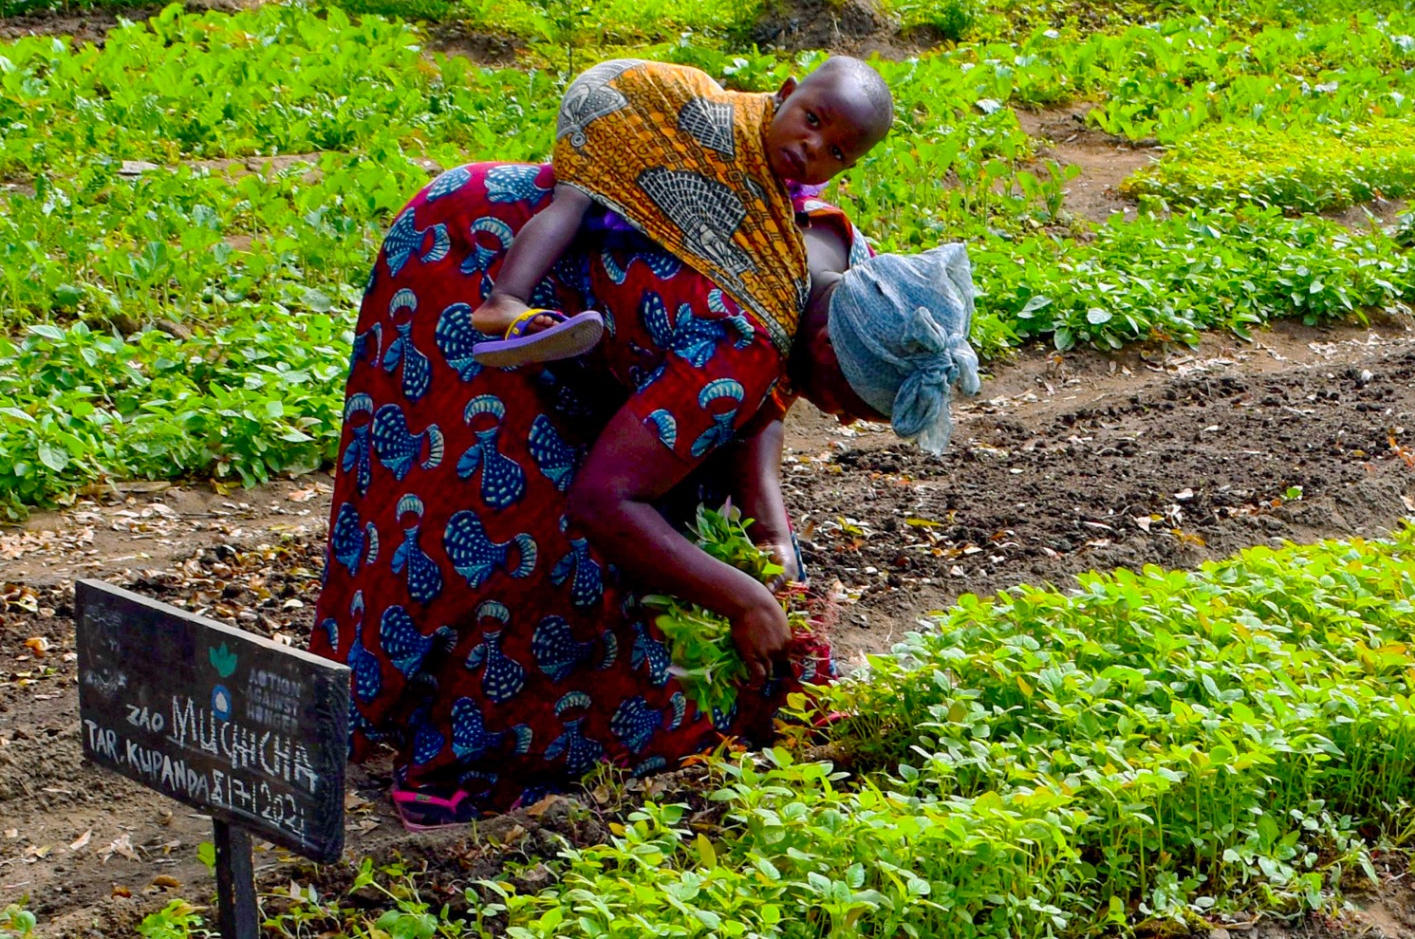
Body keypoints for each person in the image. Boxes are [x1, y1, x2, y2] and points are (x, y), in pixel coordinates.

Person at [309, 161, 977, 827]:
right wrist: (743, 598)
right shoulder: (737, 338)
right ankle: (459, 754)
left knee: (673, 506)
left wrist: (770, 533)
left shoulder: (851, 273)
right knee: (514, 519)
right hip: (473, 264)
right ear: (829, 345)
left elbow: (761, 402)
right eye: (855, 401)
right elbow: (603, 504)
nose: (848, 421)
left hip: (590, 310)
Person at [467, 56, 894, 368]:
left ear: (846, 167)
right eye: (812, 120)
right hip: (620, 107)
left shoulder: (788, 186)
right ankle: (505, 299)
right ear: (784, 94)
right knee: (576, 200)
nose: (813, 145)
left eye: (835, 150)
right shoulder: (736, 130)